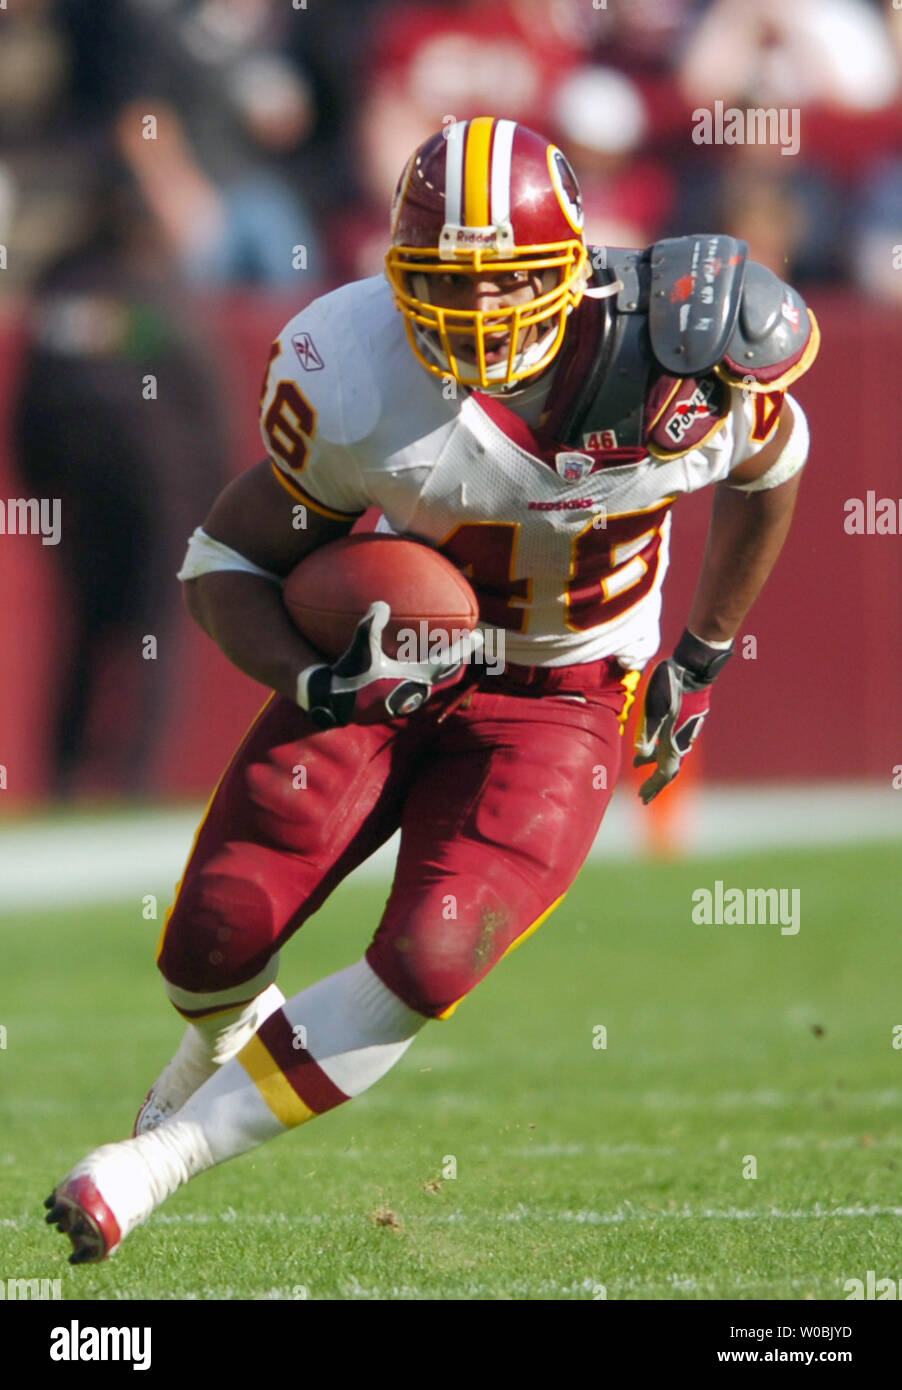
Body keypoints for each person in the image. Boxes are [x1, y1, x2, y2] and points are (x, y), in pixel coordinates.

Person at [45, 117, 818, 1262]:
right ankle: (209, 1061)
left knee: (433, 952)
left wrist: (698, 655)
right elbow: (222, 562)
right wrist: (317, 672)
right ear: (396, 276)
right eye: (442, 286)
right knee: (209, 941)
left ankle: (154, 1163)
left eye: (503, 282)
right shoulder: (354, 369)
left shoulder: (682, 353)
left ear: (572, 264)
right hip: (392, 669)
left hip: (562, 692)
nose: (474, 315)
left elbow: (773, 466)